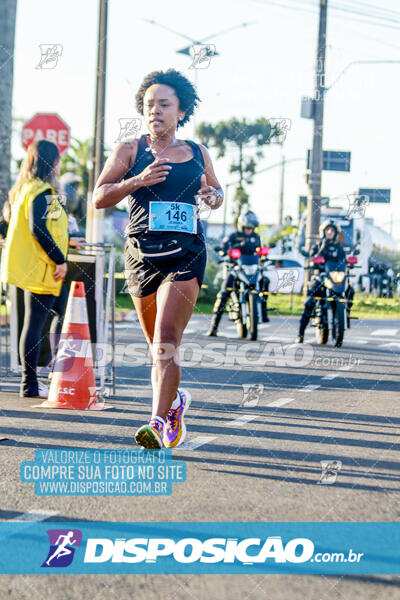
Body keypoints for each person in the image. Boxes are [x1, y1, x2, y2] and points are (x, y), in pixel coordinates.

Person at [93, 68, 223, 449]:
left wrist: (212, 197)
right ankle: (175, 404)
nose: (156, 111)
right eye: (149, 104)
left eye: (164, 104)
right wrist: (137, 181)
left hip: (185, 255)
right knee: (156, 348)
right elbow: (99, 197)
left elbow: (215, 192)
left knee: (167, 339)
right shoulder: (129, 150)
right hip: (140, 257)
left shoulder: (197, 152)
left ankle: (155, 423)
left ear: (181, 111)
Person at [0, 140, 83, 398]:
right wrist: (60, 259)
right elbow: (39, 229)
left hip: (34, 266)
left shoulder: (26, 189)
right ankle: (31, 383)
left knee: (58, 315)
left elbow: (46, 226)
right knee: (37, 323)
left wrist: (67, 241)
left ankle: (43, 377)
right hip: (43, 267)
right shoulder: (43, 191)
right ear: (53, 163)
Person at [206, 210, 269, 336]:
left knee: (265, 281)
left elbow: (260, 251)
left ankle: (263, 310)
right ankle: (214, 327)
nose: (249, 230)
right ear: (242, 226)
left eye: (252, 228)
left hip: (252, 269)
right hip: (237, 269)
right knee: (225, 292)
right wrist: (224, 252)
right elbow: (225, 247)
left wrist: (264, 254)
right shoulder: (233, 236)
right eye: (247, 228)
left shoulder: (256, 237)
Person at [296, 220, 353, 343]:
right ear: (323, 232)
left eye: (332, 230)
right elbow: (313, 258)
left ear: (336, 233)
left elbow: (344, 261)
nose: (330, 232)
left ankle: (345, 315)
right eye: (328, 230)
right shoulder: (317, 246)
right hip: (321, 277)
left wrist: (350, 263)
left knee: (351, 291)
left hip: (336, 278)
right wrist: (323, 247)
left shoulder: (339, 248)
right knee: (310, 302)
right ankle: (300, 334)